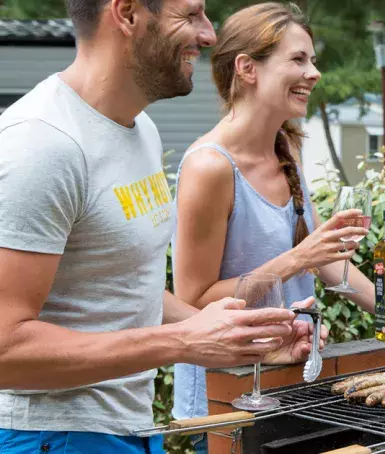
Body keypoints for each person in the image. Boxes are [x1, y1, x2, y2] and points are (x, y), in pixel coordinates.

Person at [0, 0, 326, 452]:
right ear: (128, 13)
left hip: (130, 427)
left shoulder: (141, 130)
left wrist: (247, 341)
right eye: (190, 16)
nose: (209, 35)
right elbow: (5, 348)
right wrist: (181, 341)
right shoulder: (43, 142)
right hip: (52, 434)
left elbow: (125, 287)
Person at [169, 5, 385, 450]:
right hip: (228, 398)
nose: (314, 73)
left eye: (312, 60)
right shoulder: (209, 168)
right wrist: (299, 258)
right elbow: (193, 300)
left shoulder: (285, 151)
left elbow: (326, 262)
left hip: (291, 379)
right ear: (247, 68)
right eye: (298, 59)